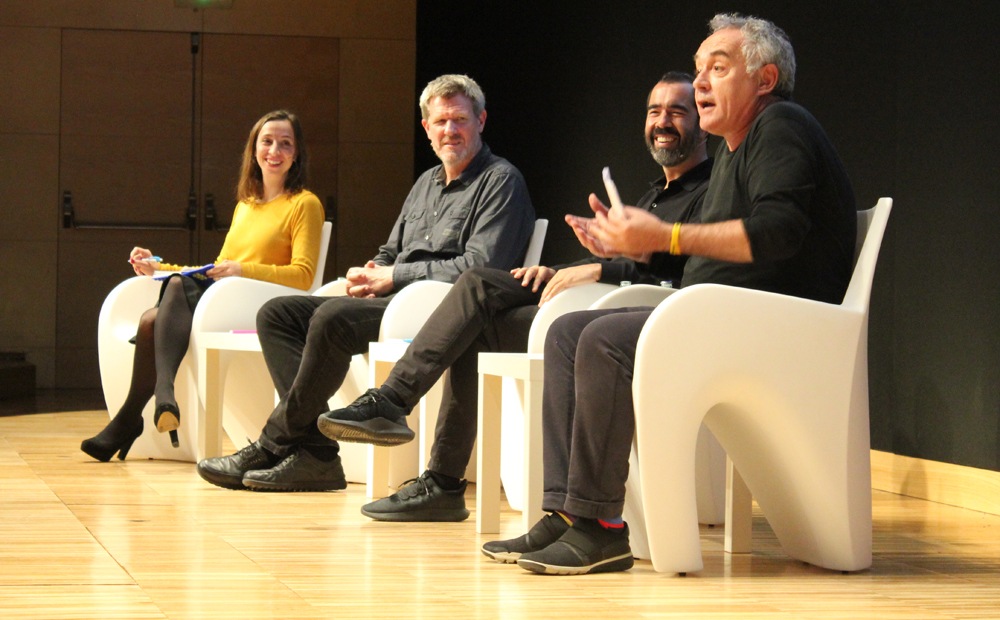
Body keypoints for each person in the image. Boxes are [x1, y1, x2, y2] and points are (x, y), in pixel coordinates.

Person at [481, 13, 858, 576]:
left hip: (780, 327)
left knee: (605, 338)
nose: (701, 81)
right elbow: (692, 255)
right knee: (566, 332)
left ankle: (600, 528)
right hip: (723, 318)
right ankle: (567, 515)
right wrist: (620, 249)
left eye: (718, 68)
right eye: (700, 68)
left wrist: (663, 234)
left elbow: (779, 231)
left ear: (765, 79)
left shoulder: (782, 125)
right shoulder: (733, 150)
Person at [315, 72, 711, 522]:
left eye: (677, 111)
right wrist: (560, 268)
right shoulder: (653, 196)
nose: (662, 121)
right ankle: (443, 482)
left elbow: (680, 273)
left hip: (636, 319)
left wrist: (602, 266)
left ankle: (391, 402)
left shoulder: (710, 190)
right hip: (593, 302)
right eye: (654, 111)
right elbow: (642, 263)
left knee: (479, 283)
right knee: (475, 314)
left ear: (703, 119)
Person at [196, 74, 535, 492]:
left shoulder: (501, 181)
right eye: (440, 121)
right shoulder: (425, 184)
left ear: (481, 121)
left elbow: (481, 267)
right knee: (278, 314)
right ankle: (313, 451)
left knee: (333, 319)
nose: (450, 130)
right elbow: (392, 250)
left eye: (460, 119)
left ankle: (274, 443)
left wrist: (392, 276)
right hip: (393, 299)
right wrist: (371, 270)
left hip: (440, 311)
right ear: (426, 128)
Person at [81, 110, 325, 462]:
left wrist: (242, 270)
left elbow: (302, 275)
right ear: (254, 151)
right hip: (226, 296)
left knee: (157, 316)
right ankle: (136, 414)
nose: (275, 150)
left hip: (265, 306)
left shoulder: (305, 203)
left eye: (285, 144)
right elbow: (212, 271)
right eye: (267, 142)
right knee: (153, 318)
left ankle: (148, 405)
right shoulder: (246, 206)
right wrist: (158, 267)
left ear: (297, 153)